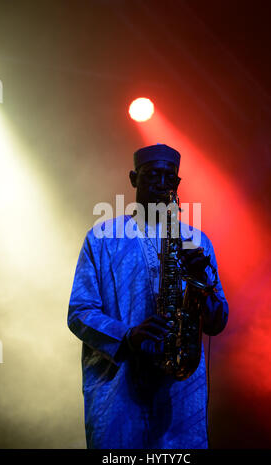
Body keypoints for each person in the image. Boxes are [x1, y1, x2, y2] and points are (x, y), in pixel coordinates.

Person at [68, 144, 228, 449]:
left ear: (178, 185)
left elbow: (218, 321)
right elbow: (79, 313)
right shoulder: (101, 239)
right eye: (152, 175)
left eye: (170, 178)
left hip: (180, 393)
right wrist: (128, 336)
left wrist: (203, 278)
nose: (162, 185)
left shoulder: (197, 241)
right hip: (118, 391)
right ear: (133, 178)